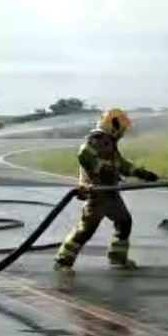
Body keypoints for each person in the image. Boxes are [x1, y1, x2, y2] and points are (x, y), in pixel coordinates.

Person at [53, 108, 159, 272]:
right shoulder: (96, 139)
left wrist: (141, 173)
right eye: (122, 128)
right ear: (113, 125)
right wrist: (101, 168)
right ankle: (62, 262)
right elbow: (84, 156)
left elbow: (121, 164)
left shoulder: (110, 143)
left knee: (124, 222)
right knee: (86, 230)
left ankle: (117, 257)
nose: (123, 132)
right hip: (98, 194)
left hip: (111, 192)